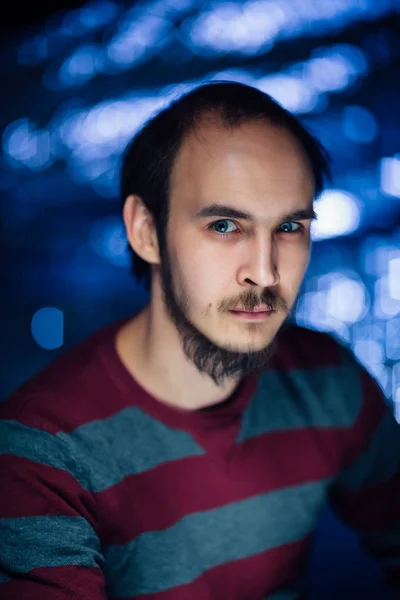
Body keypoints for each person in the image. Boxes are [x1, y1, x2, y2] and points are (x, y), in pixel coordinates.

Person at [0, 81, 399, 600]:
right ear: (146, 231)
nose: (265, 272)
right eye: (226, 224)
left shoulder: (327, 379)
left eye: (289, 226)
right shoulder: (38, 456)